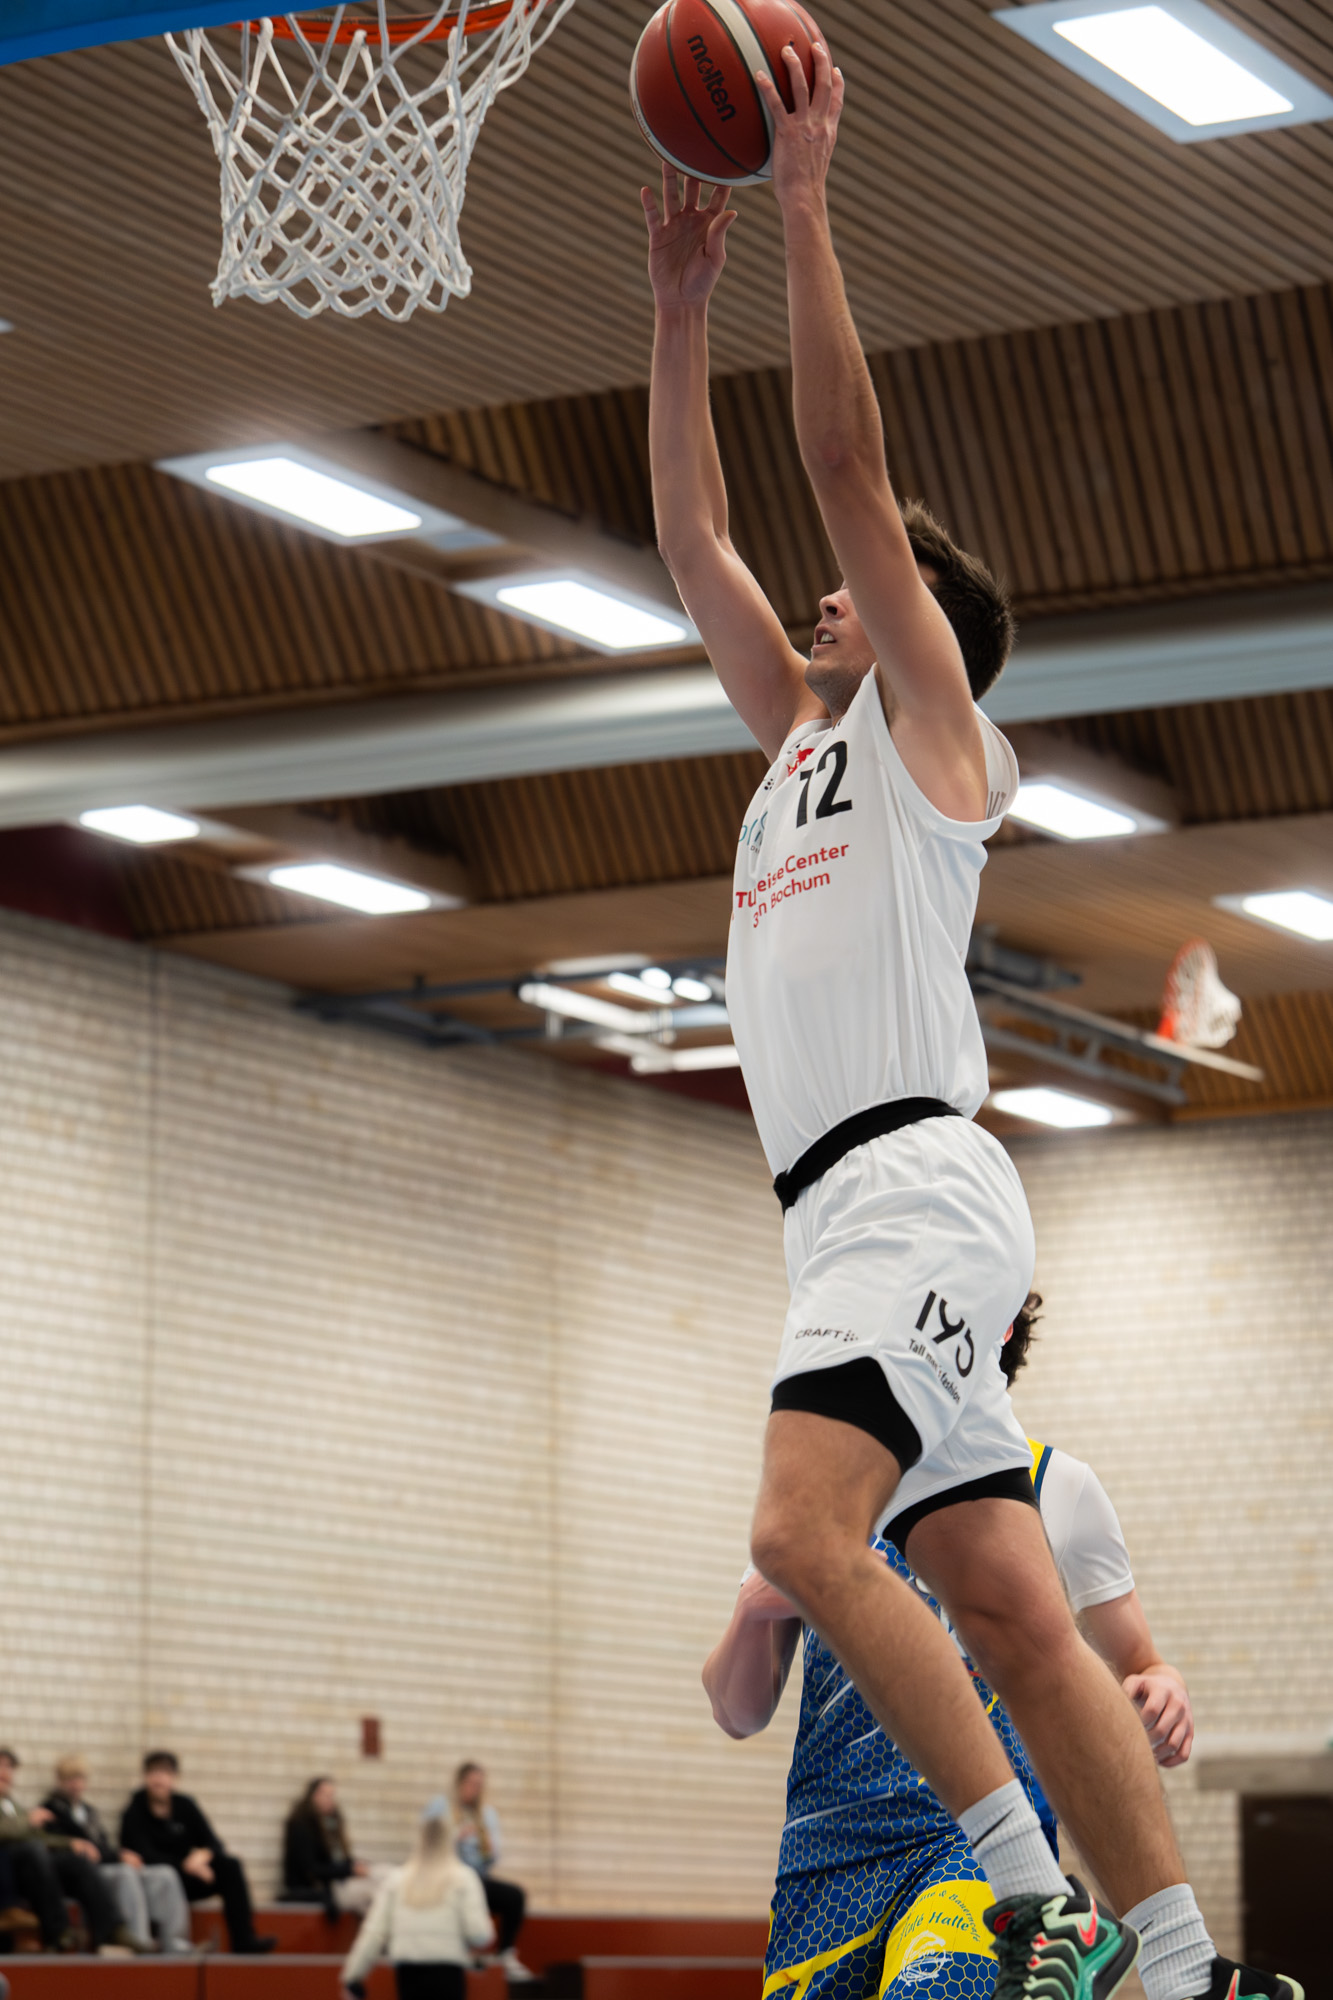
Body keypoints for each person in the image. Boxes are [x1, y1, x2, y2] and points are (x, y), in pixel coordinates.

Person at [640, 46, 1299, 2000]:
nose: (826, 600)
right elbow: (693, 543)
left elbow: (844, 478)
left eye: (862, 592)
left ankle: (1036, 1901)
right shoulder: (797, 748)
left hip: (914, 1190)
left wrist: (804, 201)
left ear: (924, 628)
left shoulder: (937, 740)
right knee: (1009, 1604)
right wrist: (674, 309)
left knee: (801, 1534)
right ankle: (1181, 1965)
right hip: (848, 1217)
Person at [705, 1296, 1197, 1996]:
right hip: (827, 1857)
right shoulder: (828, 1484)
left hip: (975, 1848)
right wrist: (754, 1610)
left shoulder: (1058, 1486)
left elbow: (1140, 1660)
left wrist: (1161, 1683)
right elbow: (738, 1712)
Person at [120, 1751, 275, 1955]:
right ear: (145, 1777)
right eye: (153, 1773)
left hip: (188, 1877)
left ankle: (244, 1940)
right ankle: (174, 1946)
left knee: (230, 1866)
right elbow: (144, 1856)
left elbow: (214, 1842)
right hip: (158, 1883)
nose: (158, 1779)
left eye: (164, 1773)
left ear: (174, 1778)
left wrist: (203, 1855)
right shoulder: (134, 1811)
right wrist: (186, 1865)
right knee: (167, 1875)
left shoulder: (185, 1805)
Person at [340, 1798, 493, 2000]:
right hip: (449, 1974)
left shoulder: (397, 1879)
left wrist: (353, 1976)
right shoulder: (464, 1878)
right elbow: (479, 1934)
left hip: (409, 1975)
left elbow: (373, 1933)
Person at [0, 1746, 143, 1956]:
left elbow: (39, 1836)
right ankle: (59, 1932)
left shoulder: (12, 1805)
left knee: (77, 1861)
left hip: (32, 1864)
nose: (5, 1772)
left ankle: (111, 1929)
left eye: (9, 1767)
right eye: (1, 1766)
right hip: (10, 1869)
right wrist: (28, 1821)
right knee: (35, 1851)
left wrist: (70, 1843)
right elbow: (13, 1831)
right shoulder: (32, 1811)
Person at [42, 1753, 192, 1953]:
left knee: (165, 1873)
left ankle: (177, 1944)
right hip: (86, 1874)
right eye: (70, 1779)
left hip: (107, 1863)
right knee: (125, 1873)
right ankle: (139, 1941)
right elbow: (77, 1851)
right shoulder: (50, 1810)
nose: (76, 1784)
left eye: (80, 1778)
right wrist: (118, 1857)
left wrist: (122, 1855)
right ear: (60, 1781)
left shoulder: (89, 1811)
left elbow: (102, 1846)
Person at [452, 1764, 533, 1983]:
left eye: (479, 1785)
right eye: (471, 1783)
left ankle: (505, 1955)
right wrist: (456, 1836)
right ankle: (459, 1954)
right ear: (459, 1784)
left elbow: (492, 1859)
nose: (475, 1789)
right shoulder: (444, 1809)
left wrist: (486, 1847)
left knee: (515, 1895)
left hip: (478, 1878)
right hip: (452, 1880)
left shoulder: (486, 1815)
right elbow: (433, 1849)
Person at [283, 1777, 390, 1916]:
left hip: (340, 1883)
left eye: (331, 1796)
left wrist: (354, 1866)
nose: (329, 1800)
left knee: (385, 1873)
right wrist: (349, 1869)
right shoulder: (302, 1825)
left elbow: (338, 1859)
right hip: (323, 1889)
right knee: (376, 1891)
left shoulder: (331, 1823)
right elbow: (311, 1869)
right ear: (313, 1796)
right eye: (325, 1795)